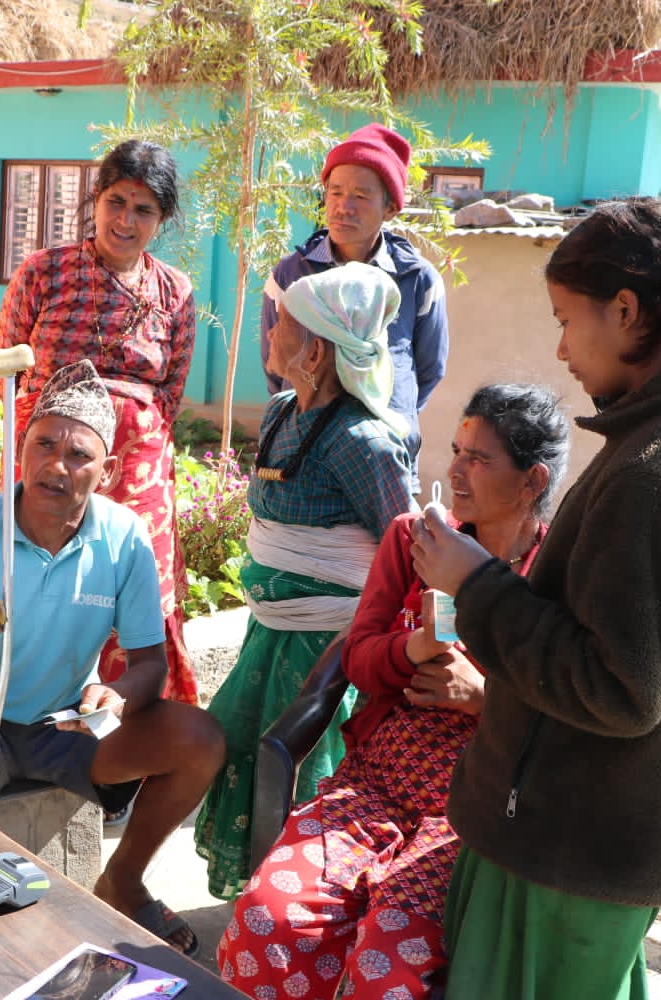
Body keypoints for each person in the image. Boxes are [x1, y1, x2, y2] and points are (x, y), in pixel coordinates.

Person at [410, 197, 661, 999]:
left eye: (566, 319)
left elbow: (620, 687)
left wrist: (474, 582)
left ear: (624, 312)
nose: (560, 347)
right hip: (571, 843)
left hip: (570, 853)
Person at [219, 384, 570, 1000]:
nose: (455, 470)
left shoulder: (555, 578)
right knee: (267, 920)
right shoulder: (415, 542)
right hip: (376, 783)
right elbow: (356, 658)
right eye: (455, 450)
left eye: (478, 458)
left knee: (388, 963)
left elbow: (571, 709)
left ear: (532, 480)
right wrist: (412, 650)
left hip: (471, 810)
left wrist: (486, 696)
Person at [0, 360, 226, 957]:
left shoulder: (123, 537)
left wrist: (119, 694)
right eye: (43, 444)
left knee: (200, 737)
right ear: (21, 448)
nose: (56, 465)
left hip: (60, 725)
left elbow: (149, 665)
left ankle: (123, 879)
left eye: (79, 455)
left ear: (108, 471)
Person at [194, 262, 416, 901]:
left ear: (315, 350)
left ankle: (300, 917)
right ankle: (261, 912)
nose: (269, 331)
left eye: (281, 323)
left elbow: (403, 551)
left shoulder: (365, 442)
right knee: (238, 746)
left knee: (303, 771)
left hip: (324, 652)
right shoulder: (284, 411)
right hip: (269, 635)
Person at [0, 140, 198, 705]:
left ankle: (137, 712)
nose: (125, 221)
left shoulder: (174, 292)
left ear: (161, 219)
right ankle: (39, 703)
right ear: (96, 199)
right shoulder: (44, 272)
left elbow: (171, 391)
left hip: (139, 469)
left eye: (143, 210)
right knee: (49, 576)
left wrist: (128, 440)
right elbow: (6, 367)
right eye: (116, 202)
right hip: (52, 460)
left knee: (138, 584)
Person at [260, 123, 448, 489]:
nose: (343, 207)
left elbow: (428, 369)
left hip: (385, 459)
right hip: (302, 456)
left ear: (390, 208)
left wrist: (389, 413)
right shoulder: (291, 275)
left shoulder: (416, 280)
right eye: (335, 192)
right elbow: (276, 362)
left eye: (361, 196)